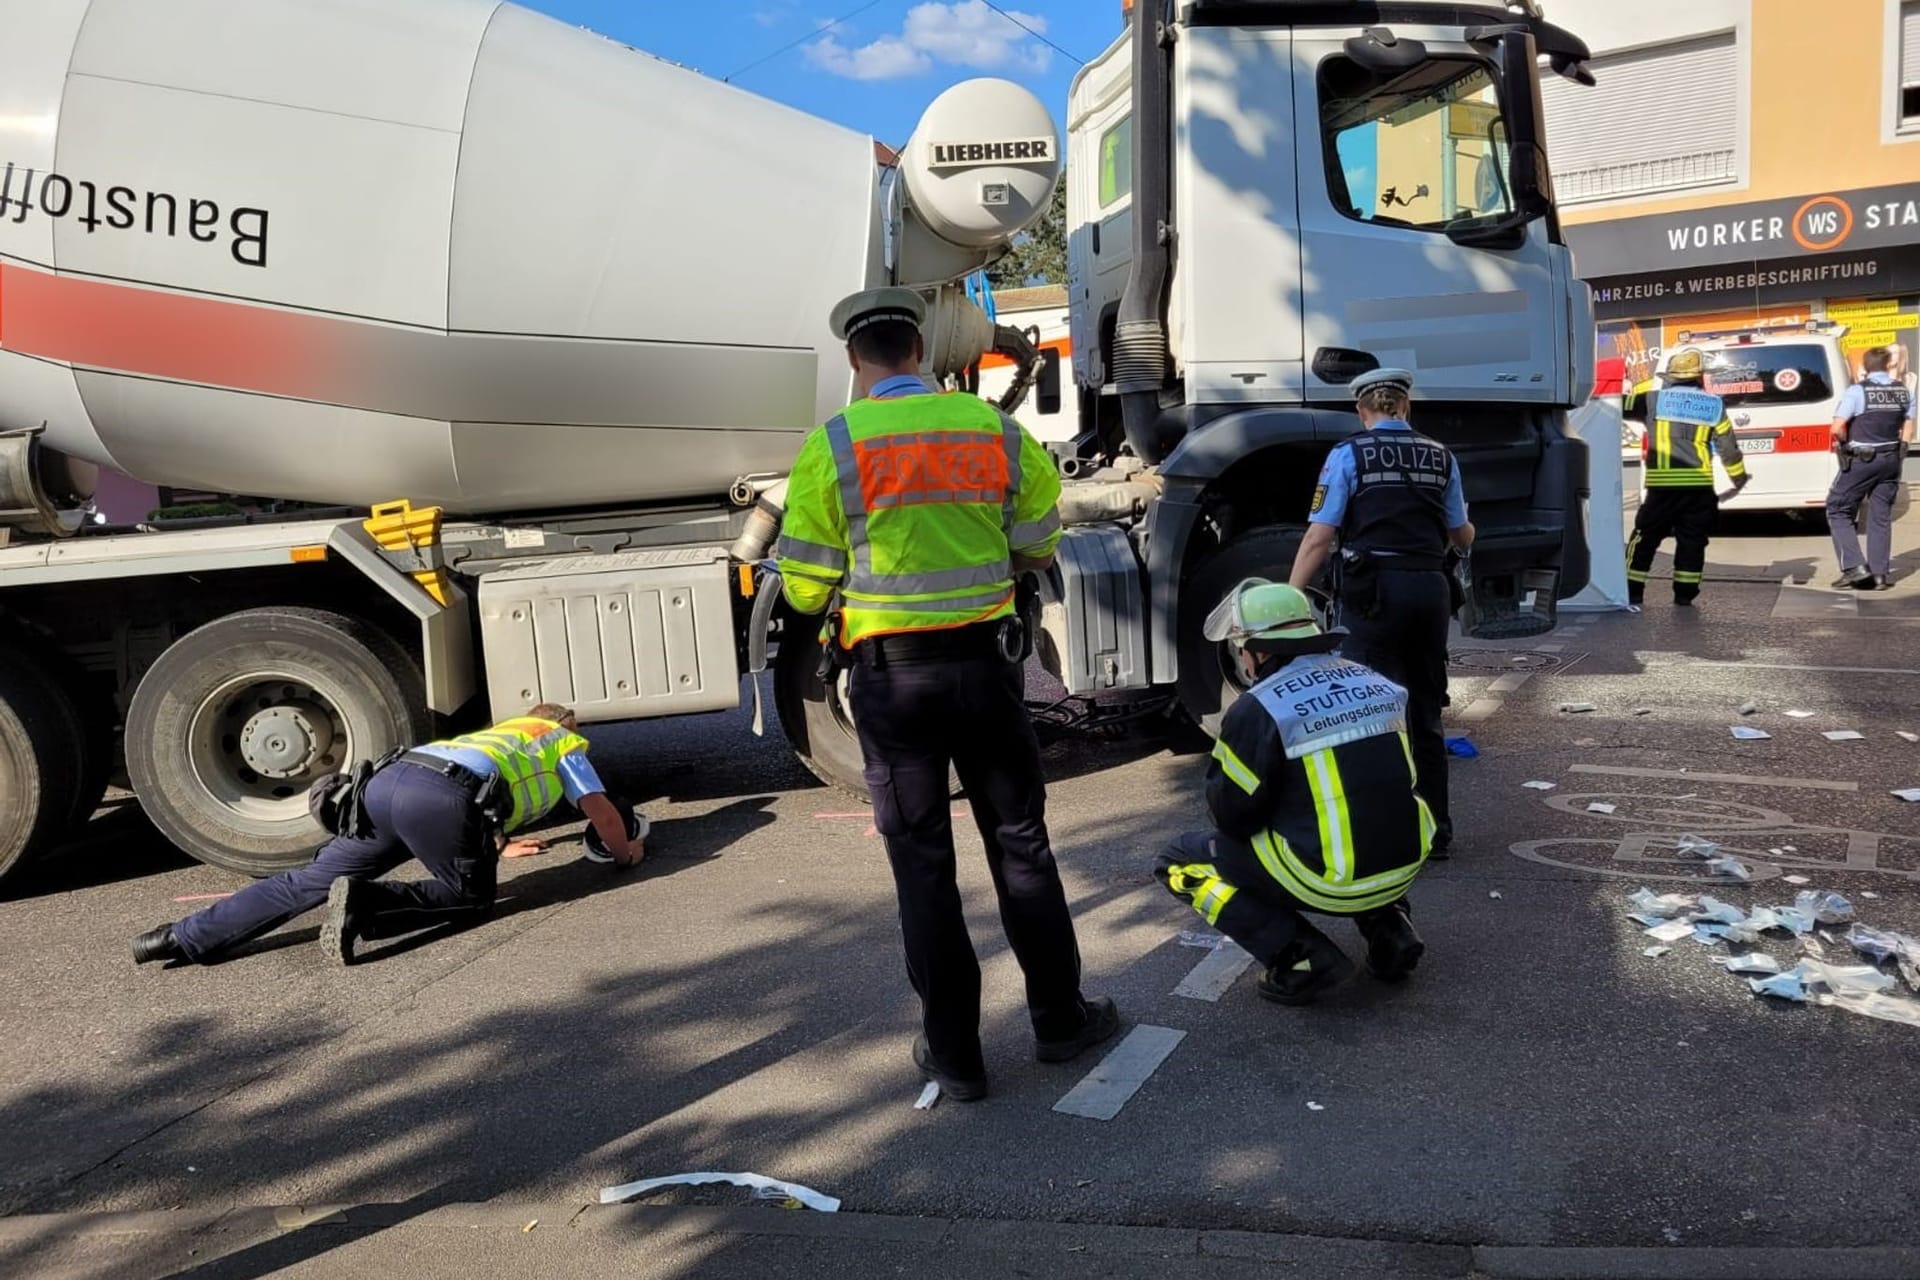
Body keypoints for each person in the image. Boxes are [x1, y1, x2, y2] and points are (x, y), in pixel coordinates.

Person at [776, 286, 1118, 1102]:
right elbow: (1038, 544)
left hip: (893, 684)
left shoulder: (834, 445)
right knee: (1020, 842)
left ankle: (956, 1055)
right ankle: (1060, 1020)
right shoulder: (993, 430)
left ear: (859, 362)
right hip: (986, 669)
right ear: (924, 353)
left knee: (923, 866)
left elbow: (806, 588)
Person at [132, 705, 641, 967]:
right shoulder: (558, 738)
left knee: (305, 881)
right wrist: (625, 855)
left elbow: (487, 789)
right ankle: (366, 906)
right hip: (437, 799)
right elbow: (601, 813)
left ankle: (178, 937)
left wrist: (502, 844)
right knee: (469, 897)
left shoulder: (496, 734)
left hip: (387, 783)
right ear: (563, 721)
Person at [1157, 580, 1431, 1005]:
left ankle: (1301, 957)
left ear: (1256, 651)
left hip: (1328, 879)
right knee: (1357, 807)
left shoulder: (1259, 707)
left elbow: (1233, 816)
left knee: (1179, 860)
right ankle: (1391, 928)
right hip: (1405, 862)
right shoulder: (1378, 684)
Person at [1288, 367, 1470, 860]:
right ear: (1405, 407)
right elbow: (1462, 533)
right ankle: (1437, 832)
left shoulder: (1347, 455)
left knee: (1369, 710)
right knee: (1425, 711)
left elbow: (1320, 537)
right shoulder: (1441, 456)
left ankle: (1381, 831)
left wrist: (1290, 596)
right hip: (1430, 591)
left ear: (1361, 410)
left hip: (1373, 596)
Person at [1620, 347, 1749, 606]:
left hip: (1662, 487)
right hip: (1699, 487)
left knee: (1645, 537)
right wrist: (1738, 478)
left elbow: (1618, 408)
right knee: (1692, 541)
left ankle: (1632, 591)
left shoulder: (1651, 400)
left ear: (1670, 376)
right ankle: (1684, 595)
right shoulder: (1713, 404)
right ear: (1700, 377)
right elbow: (1728, 447)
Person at [1827, 346, 1913, 591]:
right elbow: (1908, 421)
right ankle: (1879, 576)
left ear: (1865, 368)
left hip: (1863, 460)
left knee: (1838, 508)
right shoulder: (1902, 391)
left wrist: (1843, 443)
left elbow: (1837, 427)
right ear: (1887, 366)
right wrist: (1902, 449)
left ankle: (1854, 568)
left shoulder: (1857, 391)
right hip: (1891, 459)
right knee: (1880, 516)